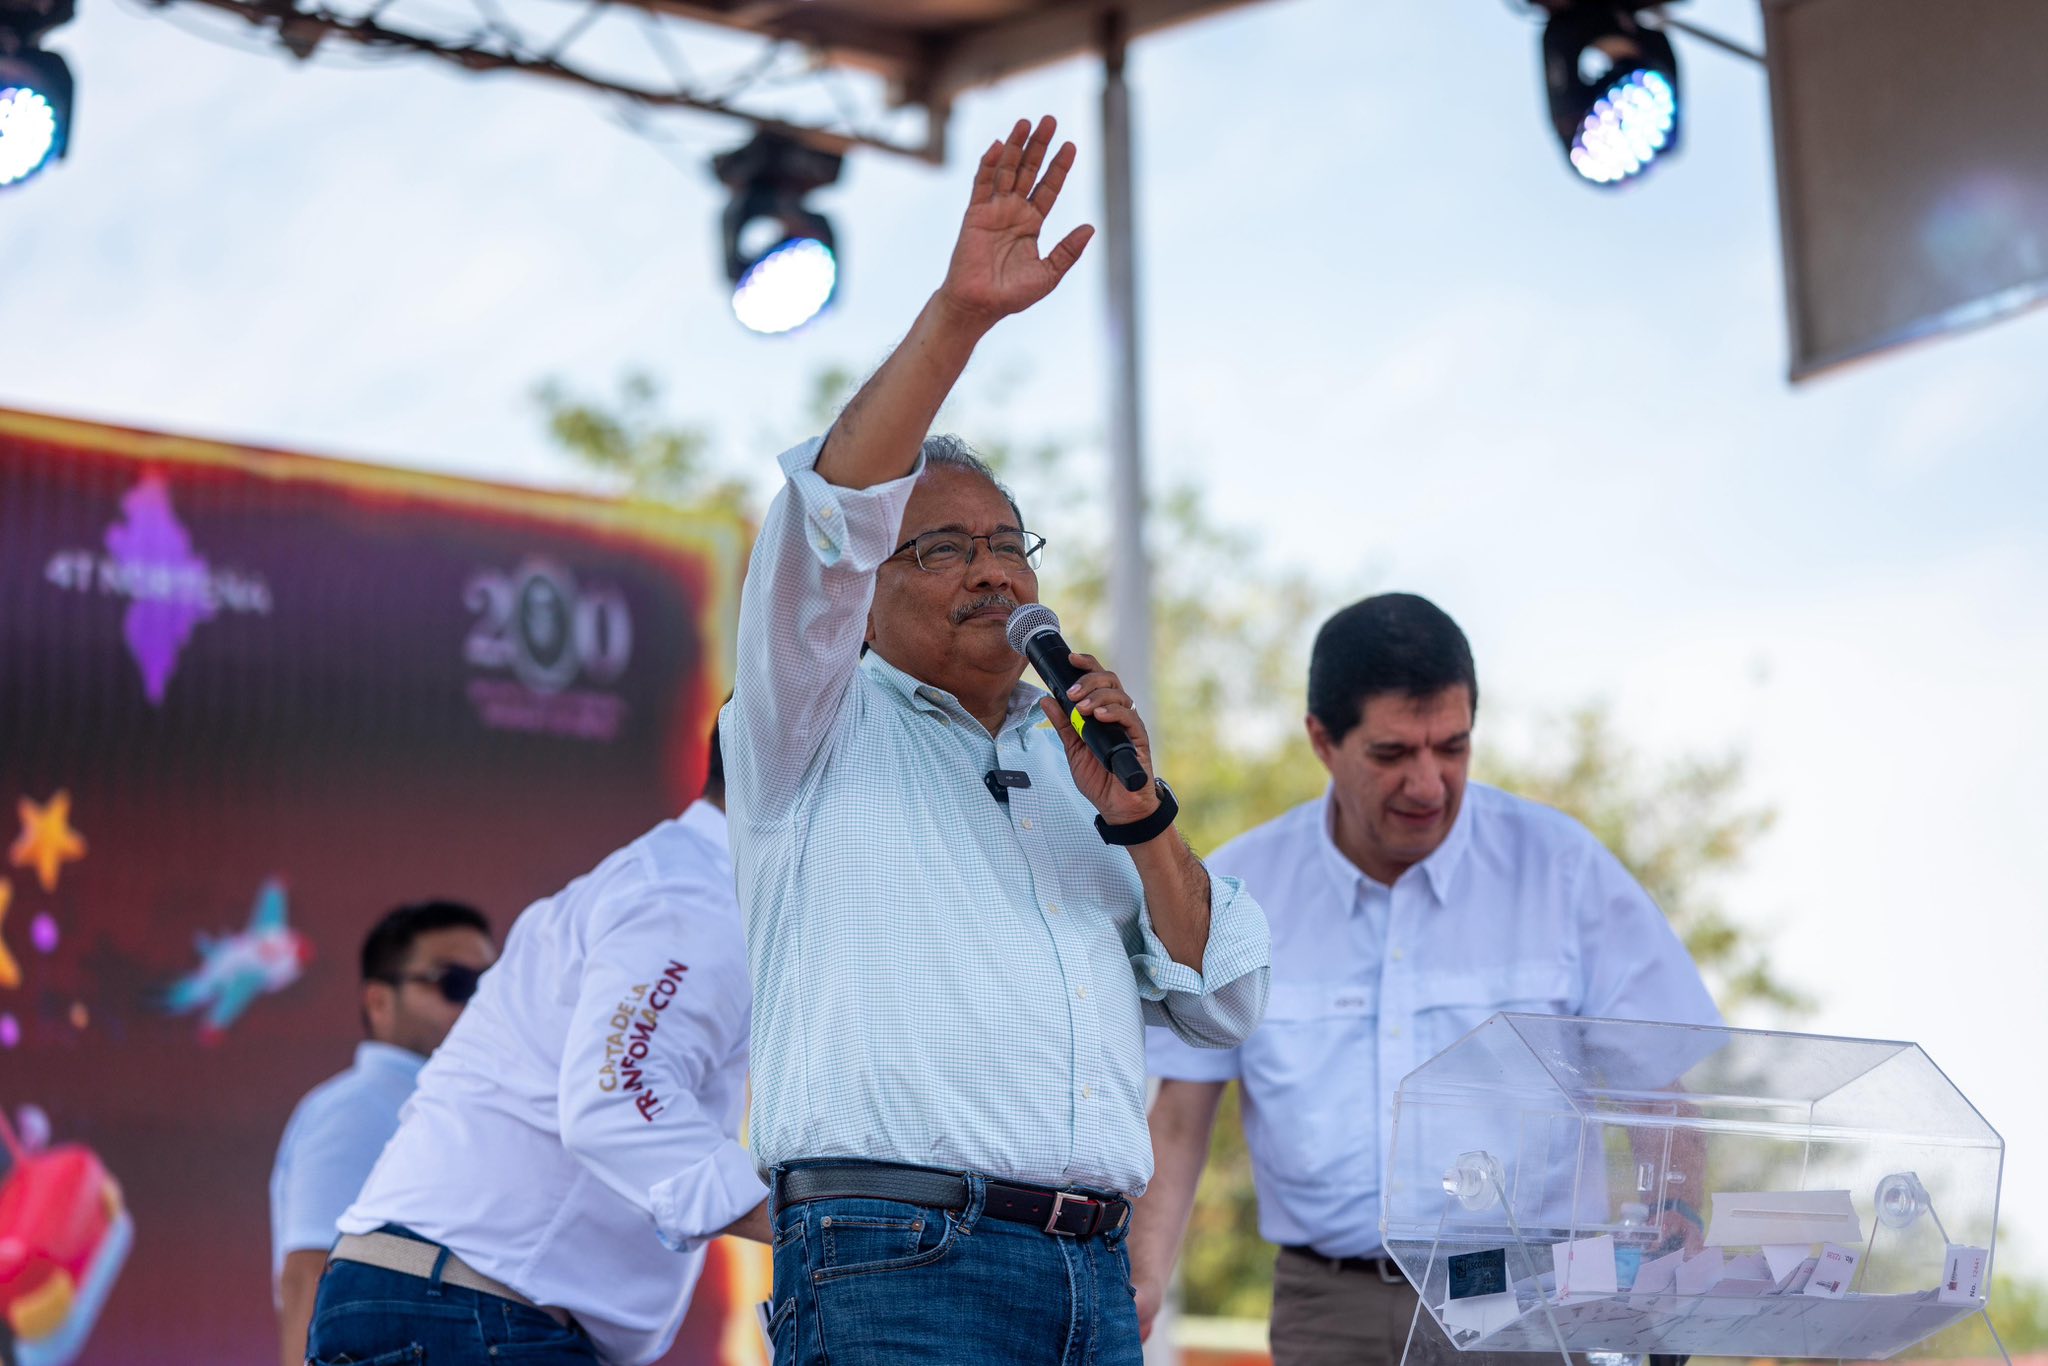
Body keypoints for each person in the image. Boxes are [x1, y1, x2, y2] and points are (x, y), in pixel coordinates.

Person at [722, 114, 1270, 1366]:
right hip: (894, 1264)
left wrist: (1138, 814)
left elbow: (1226, 1000)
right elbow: (824, 517)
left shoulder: (1078, 756)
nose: (988, 572)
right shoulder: (807, 718)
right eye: (942, 548)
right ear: (867, 588)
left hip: (1087, 1272)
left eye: (1007, 544)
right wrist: (960, 316)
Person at [1130, 592, 1722, 1365]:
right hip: (1331, 1307)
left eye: (1452, 747)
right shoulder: (1238, 889)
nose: (1429, 784)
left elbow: (1659, 1093)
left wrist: (1673, 1246)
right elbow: (1179, 1116)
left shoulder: (1564, 870)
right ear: (1322, 740)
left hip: (1538, 1298)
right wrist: (1136, 1288)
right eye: (1392, 754)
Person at [312, 719, 767, 1366]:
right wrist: (821, 1221)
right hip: (471, 1313)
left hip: (445, 1301)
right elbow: (617, 1101)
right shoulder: (698, 899)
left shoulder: (678, 880)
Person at [270, 899, 495, 1366]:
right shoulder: (355, 1109)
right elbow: (311, 1276)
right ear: (378, 1001)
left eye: (494, 985)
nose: (480, 1002)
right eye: (455, 983)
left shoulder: (470, 1105)